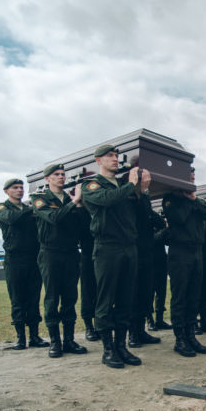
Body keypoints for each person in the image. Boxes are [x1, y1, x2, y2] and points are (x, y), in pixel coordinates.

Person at [82, 144, 150, 369]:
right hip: (107, 247)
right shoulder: (91, 185)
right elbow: (107, 201)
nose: (115, 159)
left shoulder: (124, 186)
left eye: (116, 156)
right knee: (105, 299)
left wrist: (143, 191)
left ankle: (122, 346)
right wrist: (131, 185)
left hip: (129, 246)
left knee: (125, 299)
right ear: (98, 160)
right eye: (109, 156)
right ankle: (108, 349)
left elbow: (143, 216)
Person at [31, 164, 87, 358]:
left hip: (71, 253)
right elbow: (53, 218)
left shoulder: (70, 198)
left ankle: (69, 340)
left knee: (70, 297)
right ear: (47, 179)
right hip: (50, 253)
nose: (61, 177)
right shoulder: (39, 199)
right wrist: (74, 202)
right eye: (57, 175)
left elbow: (82, 227)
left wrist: (79, 207)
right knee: (52, 297)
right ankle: (55, 342)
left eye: (63, 174)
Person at [162, 174, 206, 357]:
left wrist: (194, 200)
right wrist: (188, 200)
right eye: (189, 178)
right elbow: (180, 219)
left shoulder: (196, 200)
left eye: (193, 178)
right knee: (180, 297)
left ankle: (191, 335)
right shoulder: (170, 200)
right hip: (180, 252)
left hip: (197, 252)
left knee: (194, 296)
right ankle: (180, 339)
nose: (192, 182)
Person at [0, 179, 49, 350]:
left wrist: (31, 208)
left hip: (33, 258)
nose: (19, 190)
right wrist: (32, 208)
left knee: (33, 298)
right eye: (14, 188)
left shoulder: (28, 208)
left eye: (21, 187)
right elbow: (11, 219)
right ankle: (20, 338)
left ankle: (34, 336)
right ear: (6, 191)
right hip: (14, 259)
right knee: (17, 299)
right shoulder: (1, 208)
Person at [128, 185, 164, 347]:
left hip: (147, 255)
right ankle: (132, 334)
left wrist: (149, 212)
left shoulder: (147, 211)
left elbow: (160, 223)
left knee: (146, 294)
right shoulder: (131, 209)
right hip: (134, 254)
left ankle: (141, 330)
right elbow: (146, 217)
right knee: (133, 295)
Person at [76, 207, 99, 341]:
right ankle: (89, 326)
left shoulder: (99, 209)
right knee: (87, 291)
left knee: (101, 292)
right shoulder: (81, 212)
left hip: (103, 252)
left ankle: (99, 325)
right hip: (87, 254)